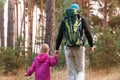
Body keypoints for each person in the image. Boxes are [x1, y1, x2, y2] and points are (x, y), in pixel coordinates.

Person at [55, 4, 94, 80]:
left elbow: (60, 35)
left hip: (68, 48)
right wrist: (91, 45)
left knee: (71, 72)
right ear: (77, 11)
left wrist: (57, 48)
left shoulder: (65, 20)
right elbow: (87, 31)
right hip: (79, 47)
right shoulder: (81, 19)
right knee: (81, 70)